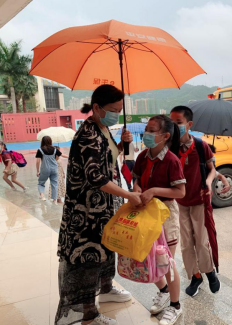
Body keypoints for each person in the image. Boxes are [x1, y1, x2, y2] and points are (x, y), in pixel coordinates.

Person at [56, 85, 142, 325]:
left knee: (104, 250)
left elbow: (108, 158)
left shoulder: (103, 128)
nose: (117, 114)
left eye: (119, 110)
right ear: (96, 108)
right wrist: (128, 194)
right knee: (88, 258)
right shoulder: (87, 134)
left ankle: (105, 288)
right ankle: (88, 315)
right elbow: (95, 177)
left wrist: (123, 145)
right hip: (85, 212)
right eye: (113, 110)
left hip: (101, 208)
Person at [132, 115, 185, 325]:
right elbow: (136, 178)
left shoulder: (171, 160)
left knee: (167, 262)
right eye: (146, 129)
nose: (147, 134)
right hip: (145, 213)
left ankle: (175, 306)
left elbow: (180, 191)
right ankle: (163, 290)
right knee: (150, 259)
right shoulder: (143, 156)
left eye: (152, 130)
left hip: (165, 215)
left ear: (165, 136)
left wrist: (153, 191)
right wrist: (137, 188)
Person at [169, 106, 221, 297]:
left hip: (199, 200)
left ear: (189, 124)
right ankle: (195, 276)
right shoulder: (170, 148)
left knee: (201, 241)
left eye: (178, 123)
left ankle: (210, 272)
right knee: (185, 244)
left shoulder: (200, 146)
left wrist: (208, 182)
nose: (174, 127)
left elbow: (212, 169)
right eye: (171, 123)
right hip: (179, 203)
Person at [36, 136, 60, 203]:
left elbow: (37, 162)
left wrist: (37, 171)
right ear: (50, 141)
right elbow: (57, 158)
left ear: (42, 142)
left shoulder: (40, 150)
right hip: (54, 169)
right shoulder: (55, 149)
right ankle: (54, 199)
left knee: (41, 183)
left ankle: (42, 196)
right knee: (54, 184)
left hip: (45, 169)